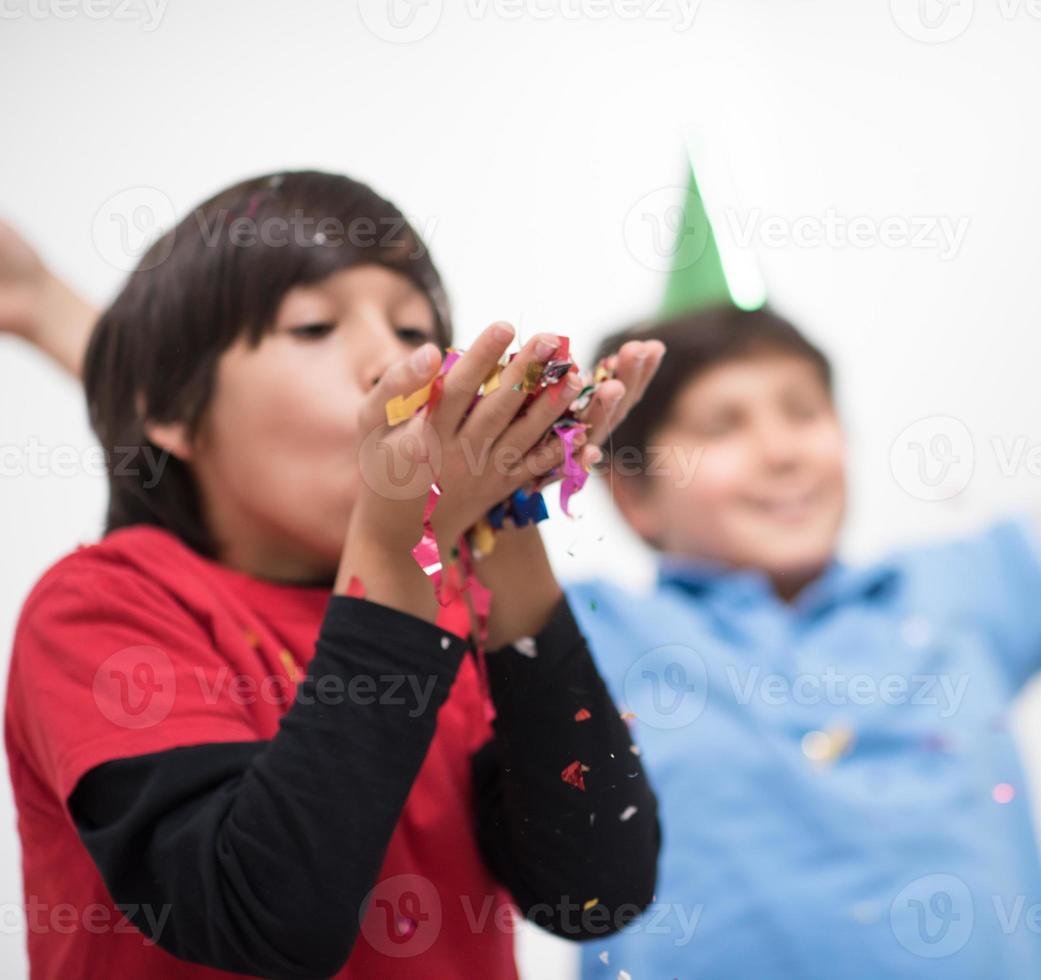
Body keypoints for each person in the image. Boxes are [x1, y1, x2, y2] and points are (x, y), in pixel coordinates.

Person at [7, 194, 1041, 978]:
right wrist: (89, 328)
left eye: (803, 411)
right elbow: (267, 462)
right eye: (717, 425)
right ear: (623, 495)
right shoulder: (591, 631)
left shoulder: (955, 602)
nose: (778, 450)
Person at [0, 171, 666, 979]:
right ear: (170, 412)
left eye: (415, 330)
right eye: (314, 326)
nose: (394, 362)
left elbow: (596, 893)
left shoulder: (446, 603)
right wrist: (396, 546)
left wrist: (506, 513)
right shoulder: (102, 603)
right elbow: (263, 917)